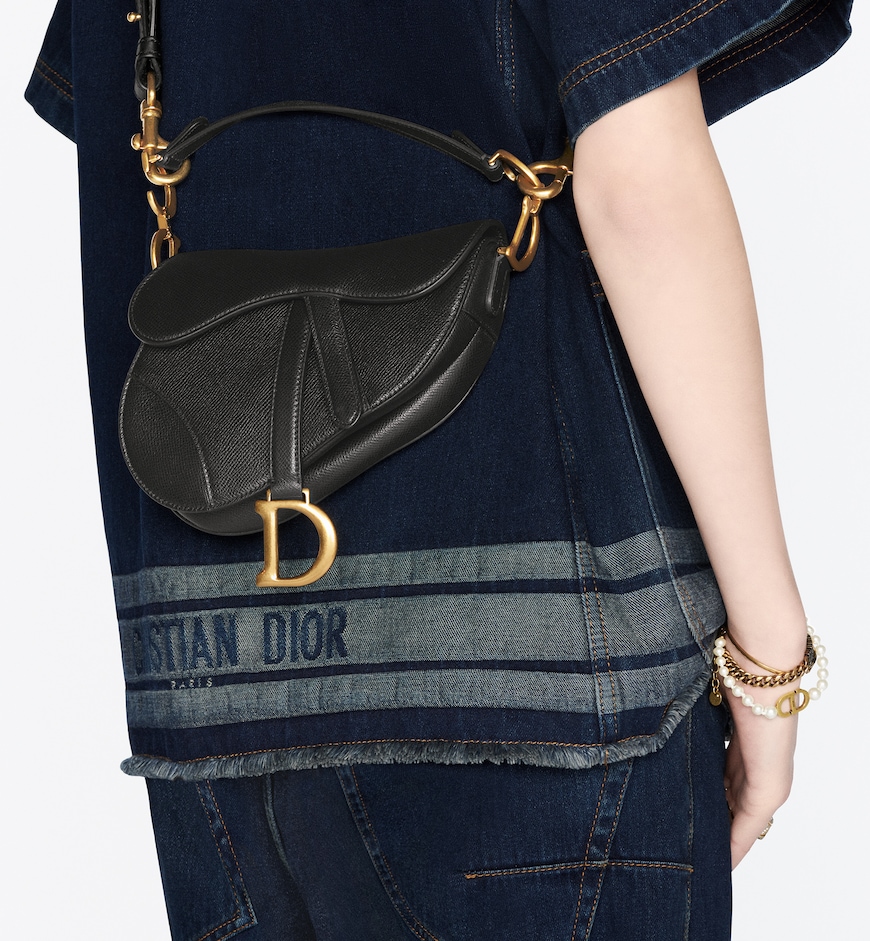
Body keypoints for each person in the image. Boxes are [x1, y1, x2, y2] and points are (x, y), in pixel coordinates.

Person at [25, 1, 850, 938]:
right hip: (539, 663)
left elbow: (130, 158)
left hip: (216, 671)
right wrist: (770, 663)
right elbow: (639, 183)